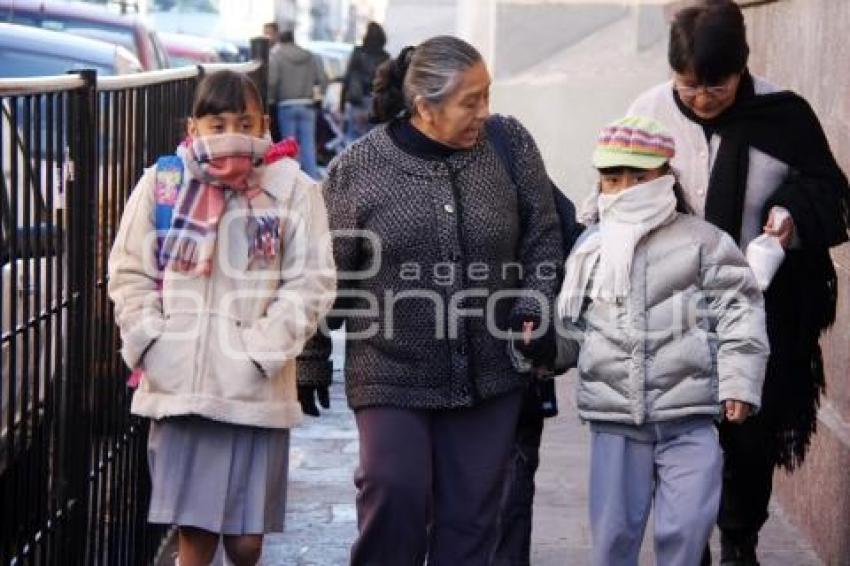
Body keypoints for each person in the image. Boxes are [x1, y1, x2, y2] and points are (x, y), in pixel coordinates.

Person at [296, 36, 563, 565]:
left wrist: (534, 304)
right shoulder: (358, 169)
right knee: (393, 493)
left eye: (488, 95)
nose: (485, 112)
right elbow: (326, 273)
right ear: (425, 108)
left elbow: (543, 233)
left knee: (471, 522)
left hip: (491, 370)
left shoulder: (509, 144)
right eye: (471, 101)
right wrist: (311, 356)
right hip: (391, 369)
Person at [627, 2, 850, 563]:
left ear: (743, 67)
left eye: (717, 87)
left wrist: (791, 218)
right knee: (679, 435)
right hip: (672, 308)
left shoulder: (785, 115)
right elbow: (611, 194)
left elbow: (831, 191)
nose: (702, 99)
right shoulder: (648, 115)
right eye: (689, 86)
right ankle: (689, 543)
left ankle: (739, 541)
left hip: (759, 310)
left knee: (750, 435)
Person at [107, 70, 335, 566]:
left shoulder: (292, 189)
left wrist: (260, 351)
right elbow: (128, 269)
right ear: (194, 126)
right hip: (181, 387)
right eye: (217, 123)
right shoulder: (165, 182)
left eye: (243, 122)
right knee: (196, 538)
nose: (230, 132)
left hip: (254, 389)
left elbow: (312, 280)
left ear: (263, 125)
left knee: (247, 544)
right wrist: (152, 340)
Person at [543, 115, 769, 566]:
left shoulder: (704, 242)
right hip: (615, 421)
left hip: (689, 416)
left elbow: (740, 312)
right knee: (613, 540)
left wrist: (739, 384)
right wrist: (540, 350)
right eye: (613, 178)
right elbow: (573, 328)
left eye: (638, 177)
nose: (626, 188)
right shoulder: (591, 247)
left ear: (665, 176)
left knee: (686, 530)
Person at [268, 29, 329, 179]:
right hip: (307, 105)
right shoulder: (310, 56)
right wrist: (319, 95)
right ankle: (311, 182)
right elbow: (323, 78)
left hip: (286, 105)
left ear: (281, 41)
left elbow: (272, 80)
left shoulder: (276, 56)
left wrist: (271, 99)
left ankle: (292, 180)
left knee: (290, 147)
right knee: (308, 146)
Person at [340, 21, 389, 143]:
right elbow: (388, 84)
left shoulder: (358, 52)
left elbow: (347, 78)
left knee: (352, 138)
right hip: (375, 103)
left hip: (357, 100)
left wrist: (341, 104)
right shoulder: (385, 57)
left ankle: (350, 162)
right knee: (373, 140)